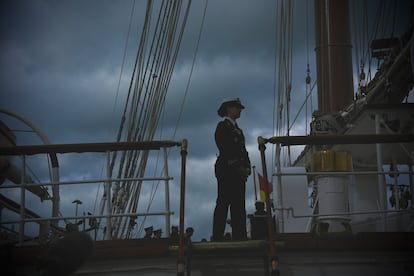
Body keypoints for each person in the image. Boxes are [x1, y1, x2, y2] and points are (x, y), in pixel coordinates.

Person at [212, 97, 251, 241]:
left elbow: (243, 150)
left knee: (239, 204)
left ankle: (239, 234)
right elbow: (225, 147)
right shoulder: (223, 127)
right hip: (226, 170)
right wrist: (236, 166)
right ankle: (218, 234)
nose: (239, 110)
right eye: (237, 107)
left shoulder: (238, 130)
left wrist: (247, 167)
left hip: (238, 171)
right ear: (228, 109)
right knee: (223, 202)